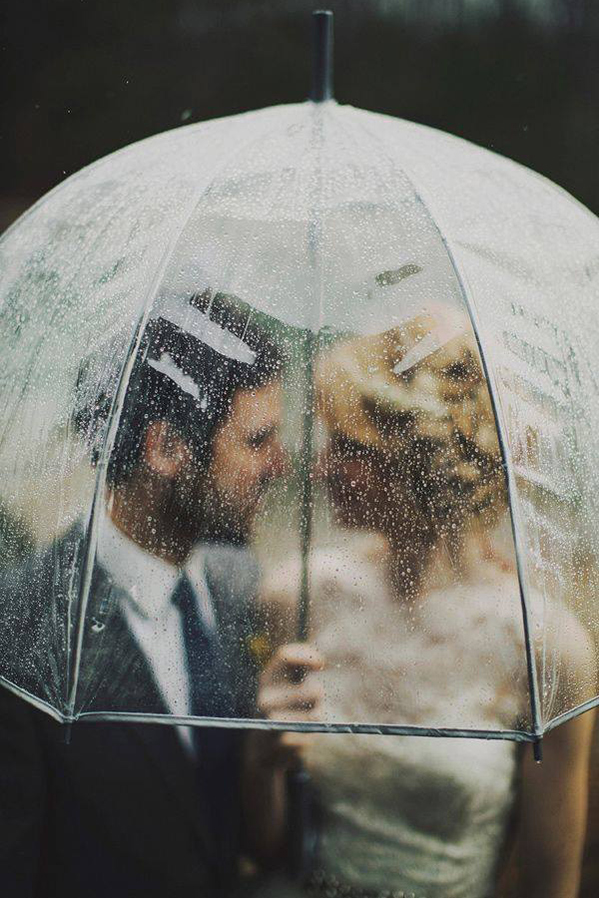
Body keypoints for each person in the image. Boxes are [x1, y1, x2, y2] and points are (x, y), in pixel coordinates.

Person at [254, 310, 596, 898]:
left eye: (346, 446)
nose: (319, 467)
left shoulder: (547, 646)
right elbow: (262, 849)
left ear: (412, 459)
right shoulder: (299, 593)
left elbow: (550, 883)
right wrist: (260, 761)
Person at [0, 289, 321, 898]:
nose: (280, 465)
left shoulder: (240, 585)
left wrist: (262, 767)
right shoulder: (21, 631)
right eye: (257, 441)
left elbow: (263, 849)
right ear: (166, 448)